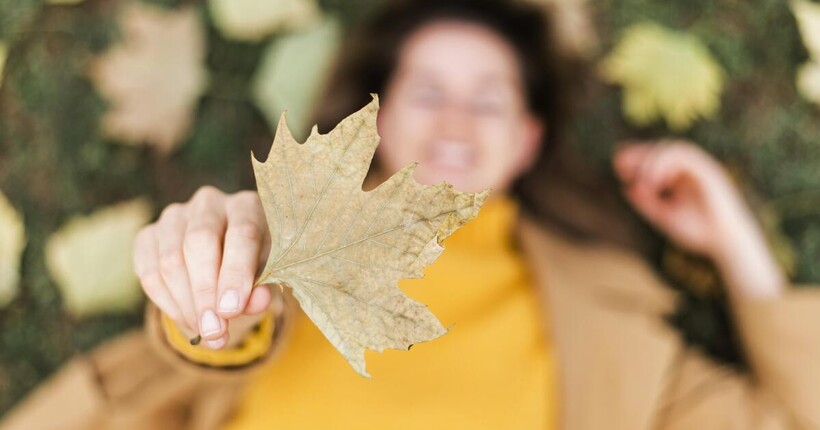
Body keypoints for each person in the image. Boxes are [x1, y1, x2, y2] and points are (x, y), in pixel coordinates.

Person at [3, 0, 819, 429]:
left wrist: (738, 248)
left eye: (488, 99)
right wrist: (210, 290)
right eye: (429, 91)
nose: (457, 121)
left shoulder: (621, 333)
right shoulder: (288, 238)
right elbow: (226, 332)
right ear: (380, 118)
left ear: (529, 140)